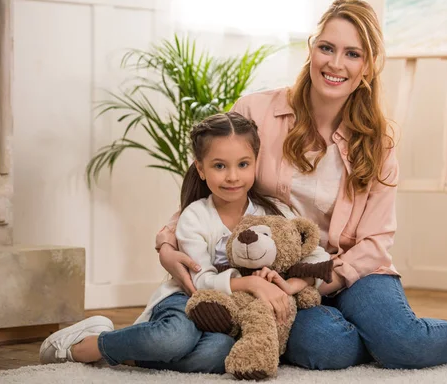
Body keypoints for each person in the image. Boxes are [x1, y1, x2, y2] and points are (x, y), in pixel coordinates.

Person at [157, 0, 447, 371]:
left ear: (368, 65)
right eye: (327, 48)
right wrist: (166, 243)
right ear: (311, 48)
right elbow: (215, 185)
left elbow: (375, 241)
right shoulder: (257, 110)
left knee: (404, 343)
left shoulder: (378, 141)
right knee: (325, 350)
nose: (336, 64)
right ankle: (377, 337)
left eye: (352, 54)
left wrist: (310, 280)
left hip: (353, 271)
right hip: (274, 277)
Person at [39, 112, 329, 372]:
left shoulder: (273, 213)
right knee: (174, 338)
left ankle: (132, 355)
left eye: (243, 164)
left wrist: (288, 285)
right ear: (201, 169)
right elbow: (199, 280)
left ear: (256, 163)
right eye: (219, 166)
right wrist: (252, 283)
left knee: (218, 353)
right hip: (186, 298)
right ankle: (86, 346)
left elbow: (317, 257)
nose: (232, 176)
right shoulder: (194, 217)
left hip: (232, 315)